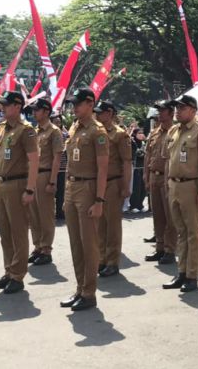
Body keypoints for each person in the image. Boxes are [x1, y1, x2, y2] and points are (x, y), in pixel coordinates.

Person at [59, 88, 108, 311]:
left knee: (89, 244)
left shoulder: (97, 132)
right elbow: (69, 160)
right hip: (72, 186)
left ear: (90, 103)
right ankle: (80, 287)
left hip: (88, 187)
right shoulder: (75, 128)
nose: (74, 107)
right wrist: (66, 192)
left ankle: (89, 292)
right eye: (72, 104)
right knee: (75, 243)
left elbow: (103, 168)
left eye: (78, 104)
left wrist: (99, 200)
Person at [162, 94, 198, 292]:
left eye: (182, 108)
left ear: (193, 111)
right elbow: (169, 158)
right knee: (180, 231)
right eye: (177, 107)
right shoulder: (175, 130)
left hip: (191, 186)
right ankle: (182, 272)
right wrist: (168, 181)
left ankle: (192, 275)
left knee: (193, 233)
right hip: (175, 185)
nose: (178, 110)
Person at [0, 91, 39, 294]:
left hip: (17, 184)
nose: (2, 107)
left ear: (17, 107)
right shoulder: (1, 129)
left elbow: (34, 160)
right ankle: (9, 271)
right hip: (1, 184)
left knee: (18, 232)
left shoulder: (26, 131)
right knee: (5, 233)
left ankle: (18, 275)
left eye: (6, 105)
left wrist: (30, 189)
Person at [94, 100, 132, 277]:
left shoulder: (120, 135)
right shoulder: (96, 132)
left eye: (101, 113)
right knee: (100, 224)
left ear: (110, 113)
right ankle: (101, 259)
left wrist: (126, 186)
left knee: (113, 225)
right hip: (99, 182)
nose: (97, 116)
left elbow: (126, 162)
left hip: (114, 182)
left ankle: (112, 261)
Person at [27, 97, 64, 266]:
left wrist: (52, 181)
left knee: (46, 214)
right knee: (33, 214)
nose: (34, 112)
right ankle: (38, 246)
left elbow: (57, 158)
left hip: (45, 175)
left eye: (37, 110)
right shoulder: (35, 131)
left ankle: (46, 249)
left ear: (46, 112)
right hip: (34, 175)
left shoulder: (54, 131)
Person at [143, 101, 176, 264]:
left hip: (167, 177)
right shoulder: (155, 133)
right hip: (154, 176)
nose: (160, 114)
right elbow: (148, 155)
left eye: (163, 111)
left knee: (169, 216)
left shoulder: (175, 132)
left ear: (171, 113)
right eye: (159, 111)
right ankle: (160, 247)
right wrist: (146, 175)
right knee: (157, 215)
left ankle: (170, 250)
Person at [128, 127, 147, 212]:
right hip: (135, 168)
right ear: (135, 134)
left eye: (142, 132)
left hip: (143, 167)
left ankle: (140, 205)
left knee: (143, 188)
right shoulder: (133, 143)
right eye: (139, 133)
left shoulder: (143, 143)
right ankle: (133, 205)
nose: (141, 134)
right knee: (136, 188)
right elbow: (134, 154)